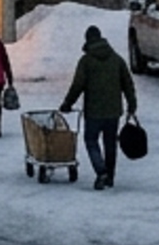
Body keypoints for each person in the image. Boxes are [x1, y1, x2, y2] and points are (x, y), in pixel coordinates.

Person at [57, 24, 137, 189]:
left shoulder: (86, 61)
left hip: (93, 111)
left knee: (91, 140)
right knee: (110, 143)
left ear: (87, 40)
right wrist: (132, 104)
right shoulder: (116, 59)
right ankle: (110, 176)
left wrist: (67, 103)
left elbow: (77, 85)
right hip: (114, 111)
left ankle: (101, 172)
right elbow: (128, 83)